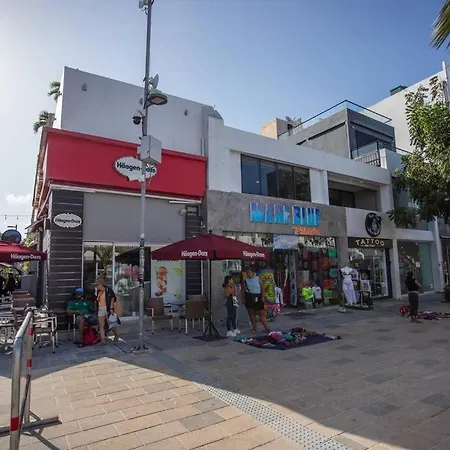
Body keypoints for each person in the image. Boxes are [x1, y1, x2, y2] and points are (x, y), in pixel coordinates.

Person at [244, 267, 270, 333]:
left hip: (258, 296)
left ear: (253, 273)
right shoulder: (245, 280)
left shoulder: (258, 278)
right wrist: (243, 298)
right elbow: (243, 289)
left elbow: (262, 288)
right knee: (251, 313)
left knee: (261, 313)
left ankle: (267, 328)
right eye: (247, 273)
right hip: (249, 297)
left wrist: (263, 297)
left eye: (249, 272)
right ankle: (254, 327)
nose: (248, 274)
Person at [95, 279, 117, 344]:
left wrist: (111, 308)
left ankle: (116, 335)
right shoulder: (98, 291)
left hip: (107, 308)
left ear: (101, 284)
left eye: (97, 285)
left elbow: (113, 298)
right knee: (101, 325)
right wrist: (98, 296)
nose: (96, 286)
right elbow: (97, 300)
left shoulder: (108, 290)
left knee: (110, 323)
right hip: (100, 308)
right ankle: (103, 340)